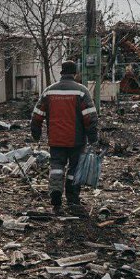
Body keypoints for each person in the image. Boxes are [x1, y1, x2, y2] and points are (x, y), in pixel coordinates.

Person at [30, 61, 99, 215]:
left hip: (56, 139)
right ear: (75, 73)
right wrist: (93, 137)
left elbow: (37, 115)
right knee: (75, 169)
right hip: (77, 140)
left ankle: (55, 194)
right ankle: (72, 198)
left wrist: (35, 132)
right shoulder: (81, 91)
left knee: (56, 168)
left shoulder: (49, 91)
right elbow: (90, 117)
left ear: (62, 72)